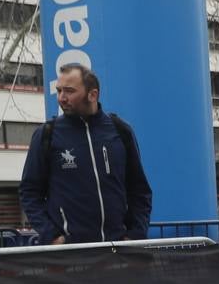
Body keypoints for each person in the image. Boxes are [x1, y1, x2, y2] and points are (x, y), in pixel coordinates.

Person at [19, 63, 152, 245]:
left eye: (69, 91)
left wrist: (135, 235)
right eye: (58, 91)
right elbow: (29, 192)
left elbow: (139, 190)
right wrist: (52, 237)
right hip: (69, 254)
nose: (61, 98)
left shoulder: (120, 130)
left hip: (117, 252)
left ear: (93, 94)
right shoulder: (47, 134)